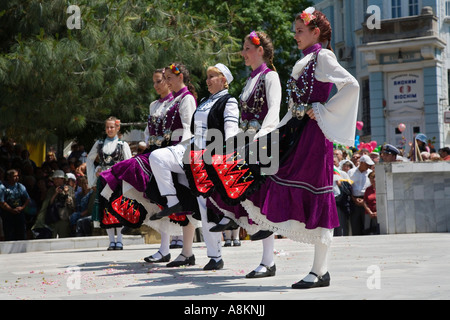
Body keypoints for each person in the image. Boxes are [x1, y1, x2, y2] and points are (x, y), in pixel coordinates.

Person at [205, 8, 360, 288]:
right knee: (264, 177)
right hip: (295, 132)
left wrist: (323, 110)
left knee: (317, 193)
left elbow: (351, 84)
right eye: (295, 30)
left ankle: (320, 270)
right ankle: (240, 221)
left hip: (314, 136)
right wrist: (274, 132)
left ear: (316, 33)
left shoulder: (322, 56)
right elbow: (292, 108)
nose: (296, 35)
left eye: (301, 30)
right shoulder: (306, 60)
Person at [204, 31, 281, 278]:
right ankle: (231, 214)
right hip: (246, 140)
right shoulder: (249, 81)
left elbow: (274, 110)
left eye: (247, 48)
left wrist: (262, 137)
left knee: (259, 197)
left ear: (260, 50)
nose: (243, 52)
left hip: (264, 142)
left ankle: (268, 261)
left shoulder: (270, 77)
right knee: (215, 166)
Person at [99, 67, 195, 263]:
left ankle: (186, 250)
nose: (158, 84)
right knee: (159, 199)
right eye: (157, 81)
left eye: (161, 80)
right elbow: (148, 131)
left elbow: (187, 129)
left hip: (174, 154)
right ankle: (163, 246)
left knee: (181, 199)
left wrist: (179, 151)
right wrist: (148, 142)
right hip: (157, 154)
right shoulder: (155, 105)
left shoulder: (180, 101)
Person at [150, 63, 239, 270]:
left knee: (218, 208)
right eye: (207, 77)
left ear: (224, 80)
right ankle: (214, 256)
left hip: (215, 160)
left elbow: (231, 132)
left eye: (212, 76)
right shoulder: (206, 101)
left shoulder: (229, 100)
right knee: (203, 207)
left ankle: (263, 256)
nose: (207, 80)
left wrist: (224, 157)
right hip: (197, 160)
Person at [86, 117, 132, 250]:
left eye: (112, 127)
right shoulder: (99, 143)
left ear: (118, 128)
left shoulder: (123, 144)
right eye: (107, 127)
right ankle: (111, 241)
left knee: (119, 209)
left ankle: (120, 241)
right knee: (106, 209)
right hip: (104, 180)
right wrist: (93, 176)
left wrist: (128, 182)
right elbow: (89, 159)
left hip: (118, 181)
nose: (109, 130)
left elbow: (129, 163)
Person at [0, 169, 30, 240]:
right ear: (9, 177)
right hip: (7, 213)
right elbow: (1, 202)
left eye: (17, 176)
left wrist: (22, 207)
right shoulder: (2, 187)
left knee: (21, 233)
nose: (17, 178)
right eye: (14, 176)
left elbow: (27, 199)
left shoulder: (20, 186)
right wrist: (11, 210)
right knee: (9, 233)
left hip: (19, 212)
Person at [348, 155, 374, 236]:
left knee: (366, 225)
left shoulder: (370, 173)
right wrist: (353, 199)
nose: (368, 166)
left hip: (366, 200)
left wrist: (364, 201)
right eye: (367, 164)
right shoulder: (351, 172)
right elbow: (348, 187)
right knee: (355, 224)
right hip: (354, 200)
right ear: (362, 163)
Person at [363, 170, 379, 235]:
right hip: (369, 212)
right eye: (371, 179)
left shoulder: (381, 188)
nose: (373, 180)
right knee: (367, 230)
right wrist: (370, 212)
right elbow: (364, 201)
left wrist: (377, 212)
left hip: (378, 213)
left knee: (377, 230)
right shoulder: (368, 189)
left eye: (374, 178)